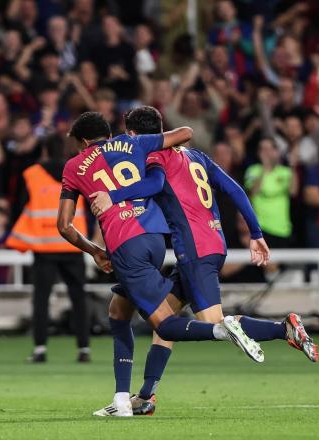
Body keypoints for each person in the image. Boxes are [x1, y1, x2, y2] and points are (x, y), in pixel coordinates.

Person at [89, 109, 319, 416]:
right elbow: (234, 188)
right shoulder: (196, 156)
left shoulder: (156, 157)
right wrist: (255, 232)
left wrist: (113, 194)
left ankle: (284, 328)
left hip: (194, 249)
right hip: (214, 243)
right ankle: (146, 397)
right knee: (165, 323)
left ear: (134, 136)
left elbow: (155, 185)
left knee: (214, 325)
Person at [58, 110, 263, 418]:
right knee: (118, 311)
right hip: (155, 237)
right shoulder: (132, 145)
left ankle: (222, 331)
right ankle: (122, 398)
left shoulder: (74, 166)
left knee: (164, 324)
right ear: (110, 135)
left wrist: (93, 249)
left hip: (125, 244)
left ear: (83, 141)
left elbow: (64, 225)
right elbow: (185, 133)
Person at [6, 137, 91, 363]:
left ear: (44, 151)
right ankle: (84, 349)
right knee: (78, 298)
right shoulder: (78, 170)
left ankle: (40, 349)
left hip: (43, 246)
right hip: (74, 242)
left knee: (41, 299)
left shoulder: (32, 173)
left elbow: (18, 208)